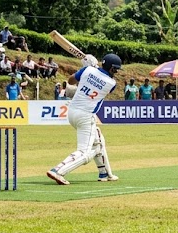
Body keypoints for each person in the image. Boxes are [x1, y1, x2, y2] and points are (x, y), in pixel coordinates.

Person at [47, 54, 122, 185]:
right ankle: (58, 171)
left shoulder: (88, 70)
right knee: (85, 152)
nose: (116, 72)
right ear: (111, 68)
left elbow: (71, 81)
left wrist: (86, 68)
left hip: (72, 112)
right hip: (86, 116)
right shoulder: (111, 83)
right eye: (115, 69)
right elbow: (101, 79)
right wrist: (93, 68)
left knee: (98, 140)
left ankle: (105, 173)